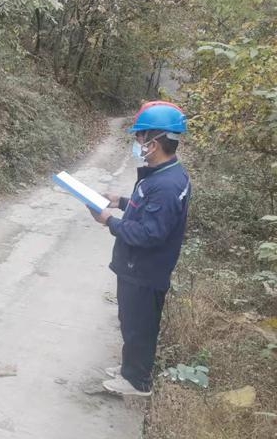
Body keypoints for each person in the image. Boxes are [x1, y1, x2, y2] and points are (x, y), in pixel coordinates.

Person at [88, 103, 191, 397]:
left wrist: (109, 221)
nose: (137, 142)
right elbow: (146, 208)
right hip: (137, 267)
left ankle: (138, 381)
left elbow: (150, 233)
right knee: (130, 320)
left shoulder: (167, 185)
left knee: (140, 326)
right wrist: (119, 201)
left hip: (145, 270)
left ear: (154, 143)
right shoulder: (161, 174)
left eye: (140, 137)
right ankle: (129, 368)